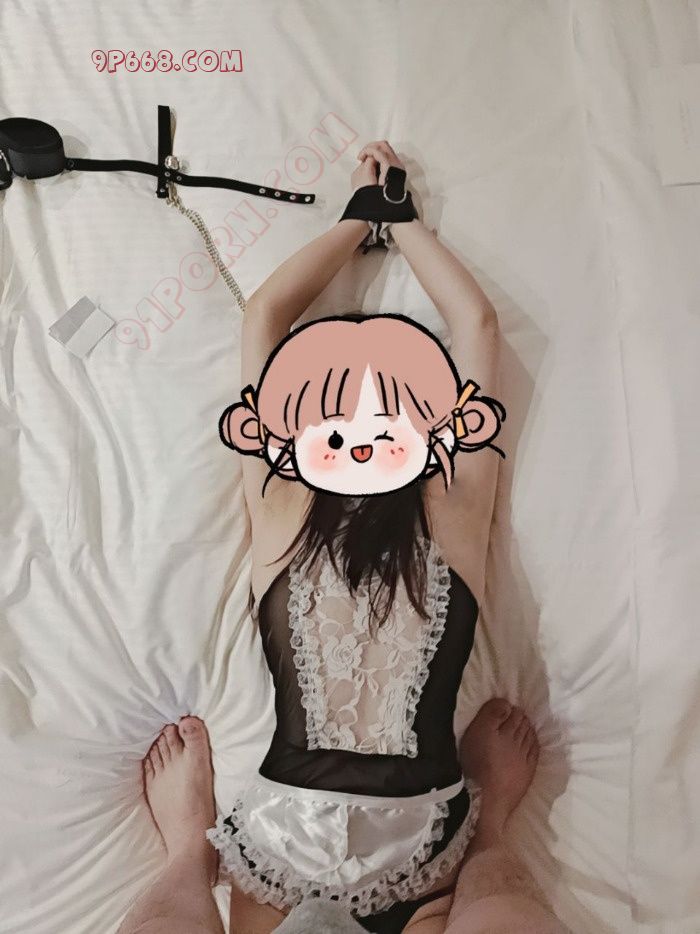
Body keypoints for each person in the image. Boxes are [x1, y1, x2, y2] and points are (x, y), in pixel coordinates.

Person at [118, 141, 568, 934]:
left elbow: (467, 326)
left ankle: (191, 853)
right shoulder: (311, 494)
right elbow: (276, 319)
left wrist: (383, 221)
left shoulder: (419, 497)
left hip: (359, 840)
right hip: (345, 841)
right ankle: (195, 849)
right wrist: (373, 220)